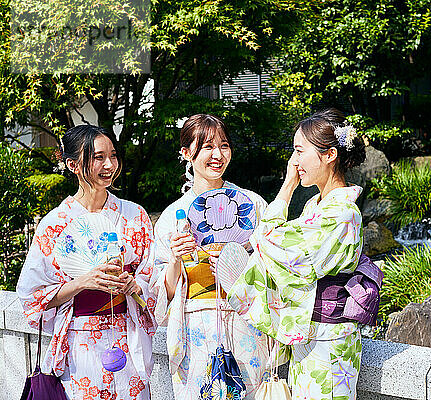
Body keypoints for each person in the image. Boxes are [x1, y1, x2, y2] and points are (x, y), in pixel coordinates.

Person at [227, 108, 367, 400]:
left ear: (329, 155)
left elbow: (265, 239)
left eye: (299, 151)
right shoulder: (316, 205)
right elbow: (268, 240)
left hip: (330, 338)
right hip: (309, 332)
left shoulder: (342, 212)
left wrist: (288, 186)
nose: (294, 161)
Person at [17, 125, 157, 399]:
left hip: (128, 335)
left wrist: (136, 284)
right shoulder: (55, 224)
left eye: (113, 156)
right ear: (72, 164)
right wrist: (82, 282)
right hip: (80, 341)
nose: (109, 165)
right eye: (98, 157)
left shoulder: (135, 215)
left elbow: (153, 275)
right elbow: (32, 296)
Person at [150, 114, 269, 400]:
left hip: (246, 322)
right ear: (187, 153)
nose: (218, 155)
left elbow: (274, 266)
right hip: (195, 326)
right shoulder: (172, 217)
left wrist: (241, 265)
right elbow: (161, 293)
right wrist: (177, 258)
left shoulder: (252, 205)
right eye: (207, 147)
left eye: (224, 145)